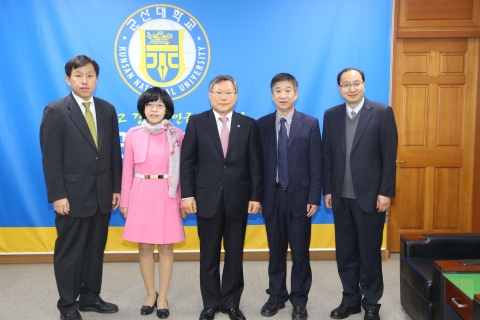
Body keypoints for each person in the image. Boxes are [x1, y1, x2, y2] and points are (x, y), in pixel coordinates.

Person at [40, 55, 122, 320]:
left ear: (96, 79)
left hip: (102, 194)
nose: (84, 80)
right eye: (78, 75)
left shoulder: (107, 109)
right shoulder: (55, 111)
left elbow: (113, 155)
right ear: (68, 79)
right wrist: (58, 195)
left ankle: (89, 297)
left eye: (89, 75)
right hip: (71, 197)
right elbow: (50, 157)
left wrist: (116, 188)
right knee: (70, 252)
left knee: (95, 249)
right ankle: (67, 305)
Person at [180, 74, 263, 320]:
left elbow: (256, 165)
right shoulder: (196, 122)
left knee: (235, 254)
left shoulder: (248, 124)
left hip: (239, 198)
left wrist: (256, 196)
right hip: (206, 199)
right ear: (210, 95)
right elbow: (187, 162)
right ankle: (210, 304)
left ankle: (231, 303)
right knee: (209, 255)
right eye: (218, 92)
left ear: (236, 97)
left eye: (228, 93)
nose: (223, 97)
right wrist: (187, 196)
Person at [322, 68, 398, 320]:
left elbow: (389, 157)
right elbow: (327, 156)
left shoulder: (382, 112)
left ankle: (372, 304)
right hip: (341, 198)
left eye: (356, 83)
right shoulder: (331, 115)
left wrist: (386, 192)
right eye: (346, 84)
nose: (351, 88)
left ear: (364, 85)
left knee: (369, 253)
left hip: (371, 197)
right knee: (345, 252)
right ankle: (350, 300)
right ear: (339, 88)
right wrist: (328, 190)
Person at [256, 73, 322, 320]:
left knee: (300, 253)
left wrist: (314, 197)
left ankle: (299, 300)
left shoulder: (311, 123)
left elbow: (316, 163)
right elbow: (257, 166)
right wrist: (257, 197)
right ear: (272, 95)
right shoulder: (261, 124)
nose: (282, 95)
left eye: (287, 90)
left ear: (296, 93)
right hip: (271, 197)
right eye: (277, 91)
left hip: (300, 199)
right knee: (275, 251)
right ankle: (276, 296)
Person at [119, 87, 185, 319]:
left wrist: (183, 200)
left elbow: (184, 171)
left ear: (167, 109)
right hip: (140, 194)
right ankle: (150, 295)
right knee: (145, 248)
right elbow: (127, 171)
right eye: (149, 105)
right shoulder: (133, 133)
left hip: (168, 195)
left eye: (159, 105)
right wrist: (125, 201)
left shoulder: (177, 134)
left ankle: (163, 297)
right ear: (142, 108)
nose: (154, 109)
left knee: (166, 248)